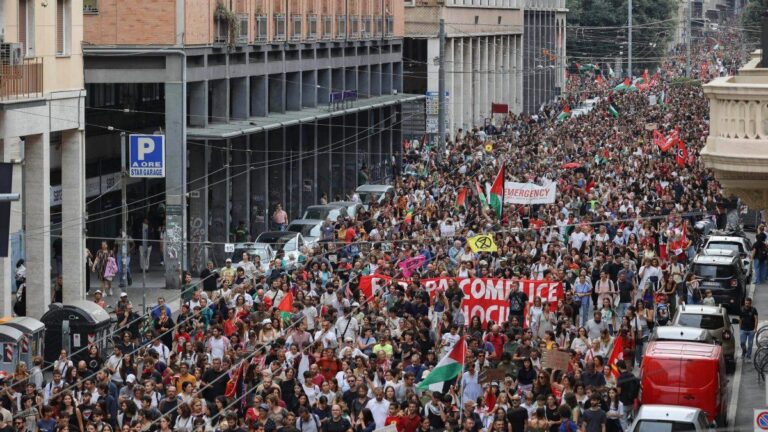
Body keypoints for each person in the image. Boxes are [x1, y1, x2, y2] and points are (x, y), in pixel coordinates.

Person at [740, 297, 758, 361]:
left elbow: (756, 319)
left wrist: (755, 328)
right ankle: (744, 352)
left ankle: (748, 356)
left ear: (750, 303)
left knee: (750, 344)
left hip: (751, 330)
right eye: (746, 303)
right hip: (743, 329)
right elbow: (741, 319)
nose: (747, 304)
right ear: (744, 302)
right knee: (742, 343)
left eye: (748, 303)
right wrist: (740, 328)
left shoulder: (753, 309)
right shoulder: (742, 309)